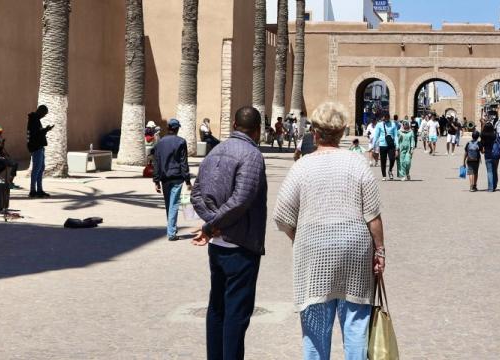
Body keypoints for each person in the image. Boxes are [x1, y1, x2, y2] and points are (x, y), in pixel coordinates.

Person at [272, 102, 386, 360]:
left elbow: (281, 214)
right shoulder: (357, 163)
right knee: (356, 323)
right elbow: (373, 216)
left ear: (315, 133)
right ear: (343, 132)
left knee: (314, 326)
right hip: (355, 249)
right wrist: (380, 252)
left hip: (313, 251)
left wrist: (299, 236)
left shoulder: (301, 166)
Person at [191, 106, 269, 360]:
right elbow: (241, 200)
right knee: (236, 312)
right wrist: (214, 224)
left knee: (217, 308)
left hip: (218, 244)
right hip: (241, 245)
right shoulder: (252, 155)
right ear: (257, 130)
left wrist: (211, 224)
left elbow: (196, 194)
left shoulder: (215, 152)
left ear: (234, 124)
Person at [152, 119, 193, 241]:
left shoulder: (160, 143)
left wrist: (156, 181)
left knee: (169, 204)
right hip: (177, 177)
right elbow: (183, 162)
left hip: (164, 178)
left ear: (168, 127)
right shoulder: (181, 142)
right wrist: (187, 180)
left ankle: (171, 229)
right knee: (174, 204)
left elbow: (156, 163)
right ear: (177, 129)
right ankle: (171, 233)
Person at [26, 105, 53, 198]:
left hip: (39, 147)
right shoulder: (34, 120)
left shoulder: (36, 120)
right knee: (36, 169)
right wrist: (45, 130)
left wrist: (45, 130)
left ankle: (39, 190)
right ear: (40, 111)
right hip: (36, 147)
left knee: (40, 168)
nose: (44, 116)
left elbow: (37, 133)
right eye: (44, 114)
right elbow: (35, 135)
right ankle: (33, 191)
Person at [480, 123, 500, 192]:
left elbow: (481, 145)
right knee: (495, 170)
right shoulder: (495, 135)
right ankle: (494, 185)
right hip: (495, 154)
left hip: (487, 154)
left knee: (489, 171)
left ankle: (490, 187)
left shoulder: (483, 135)